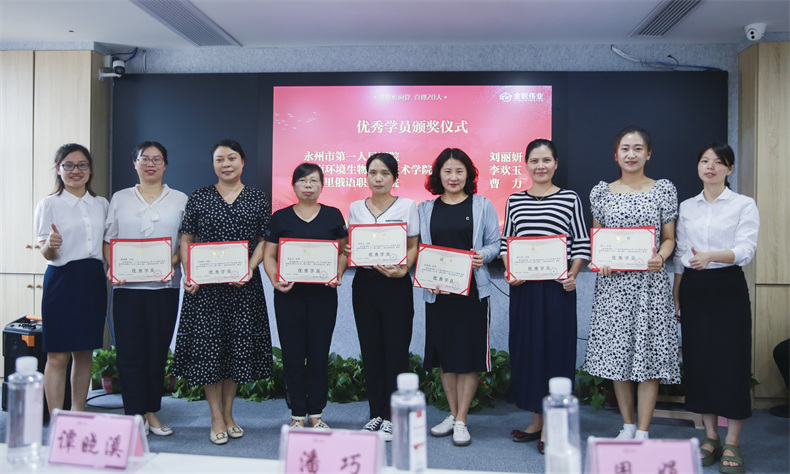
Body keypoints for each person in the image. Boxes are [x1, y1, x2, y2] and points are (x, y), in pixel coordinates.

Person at [172, 139, 272, 445]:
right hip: (206, 291)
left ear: (243, 162)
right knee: (209, 353)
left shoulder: (257, 198)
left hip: (243, 288)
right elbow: (186, 239)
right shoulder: (200, 197)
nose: (226, 164)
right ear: (213, 164)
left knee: (235, 352)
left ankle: (229, 413)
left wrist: (250, 268)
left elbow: (264, 240)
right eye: (219, 159)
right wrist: (189, 273)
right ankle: (215, 416)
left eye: (231, 158)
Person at [583, 126, 679, 440]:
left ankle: (644, 431)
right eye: (625, 148)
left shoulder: (662, 190)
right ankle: (627, 426)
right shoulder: (602, 193)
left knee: (649, 355)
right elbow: (598, 240)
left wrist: (661, 257)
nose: (631, 154)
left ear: (648, 154)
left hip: (650, 286)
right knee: (618, 356)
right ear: (616, 155)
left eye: (638, 148)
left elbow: (669, 238)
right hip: (614, 288)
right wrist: (601, 261)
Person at [673, 143, 759, 473]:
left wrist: (712, 256)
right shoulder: (687, 206)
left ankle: (733, 440)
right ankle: (711, 437)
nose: (710, 166)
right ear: (698, 166)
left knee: (732, 362)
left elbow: (746, 249)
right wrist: (677, 295)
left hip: (727, 287)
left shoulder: (743, 204)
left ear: (729, 169)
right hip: (694, 287)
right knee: (700, 362)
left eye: (719, 162)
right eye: (705, 161)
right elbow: (681, 254)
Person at [501, 139, 590, 454]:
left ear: (556, 164)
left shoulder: (569, 199)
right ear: (526, 164)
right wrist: (510, 270)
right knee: (529, 353)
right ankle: (537, 420)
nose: (540, 166)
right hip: (524, 289)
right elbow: (506, 242)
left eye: (546, 160)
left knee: (556, 352)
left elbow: (581, 242)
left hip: (557, 290)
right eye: (534, 160)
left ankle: (554, 423)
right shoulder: (515, 200)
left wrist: (573, 274)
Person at [103, 141, 188, 436]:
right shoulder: (120, 198)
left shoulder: (180, 199)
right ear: (135, 163)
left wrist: (169, 264)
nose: (150, 164)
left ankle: (152, 411)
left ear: (165, 164)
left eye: (157, 159)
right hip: (127, 288)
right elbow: (109, 240)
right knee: (129, 352)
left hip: (165, 286)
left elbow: (185, 242)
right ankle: (134, 413)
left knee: (157, 351)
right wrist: (114, 266)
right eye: (144, 159)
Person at [418, 148, 500, 447]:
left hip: (472, 294)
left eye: (459, 171)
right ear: (438, 175)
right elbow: (422, 249)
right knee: (446, 358)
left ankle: (463, 418)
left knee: (468, 356)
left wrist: (483, 255)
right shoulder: (425, 209)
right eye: (447, 171)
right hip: (439, 295)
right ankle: (452, 415)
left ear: (469, 175)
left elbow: (495, 243)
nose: (453, 177)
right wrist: (427, 278)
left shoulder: (482, 205)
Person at [262, 163, 348, 429]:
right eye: (302, 180)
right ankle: (297, 414)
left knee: (319, 354)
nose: (308, 185)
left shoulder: (333, 215)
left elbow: (344, 252)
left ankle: (316, 414)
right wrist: (275, 280)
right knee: (293, 354)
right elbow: (269, 255)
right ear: (294, 185)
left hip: (323, 297)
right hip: (289, 297)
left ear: (322, 185)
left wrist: (338, 272)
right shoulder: (280, 218)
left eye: (313, 181)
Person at [347, 153, 420, 440]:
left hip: (395, 285)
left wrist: (404, 269)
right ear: (366, 176)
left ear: (395, 178)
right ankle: (376, 414)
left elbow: (413, 245)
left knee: (396, 351)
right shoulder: (355, 208)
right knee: (371, 351)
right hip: (365, 284)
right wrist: (349, 250)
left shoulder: (408, 206)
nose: (378, 178)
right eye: (373, 172)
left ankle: (394, 416)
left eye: (385, 173)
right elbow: (351, 245)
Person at [34, 143, 109, 415]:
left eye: (82, 165)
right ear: (58, 169)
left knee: (84, 352)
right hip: (62, 280)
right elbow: (46, 252)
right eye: (68, 165)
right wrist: (51, 244)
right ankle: (57, 418)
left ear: (90, 169)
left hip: (92, 280)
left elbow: (107, 245)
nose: (76, 171)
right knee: (58, 355)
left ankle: (78, 414)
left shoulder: (101, 204)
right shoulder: (49, 204)